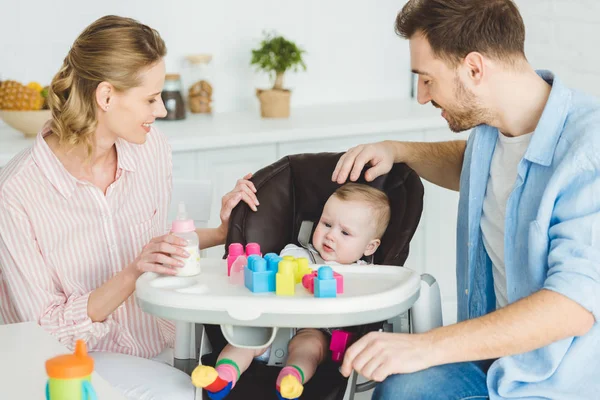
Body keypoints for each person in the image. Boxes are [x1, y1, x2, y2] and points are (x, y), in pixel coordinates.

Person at [333, 1, 599, 399]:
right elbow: (473, 168)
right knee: (397, 387)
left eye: (427, 79)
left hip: (553, 383)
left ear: (474, 68)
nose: (423, 97)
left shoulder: (587, 152)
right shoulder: (492, 132)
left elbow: (573, 304)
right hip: (491, 365)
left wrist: (426, 346)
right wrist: (397, 149)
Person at [0, 15, 259, 400]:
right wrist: (132, 272)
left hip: (170, 343)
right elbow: (42, 331)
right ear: (106, 97)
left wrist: (222, 232)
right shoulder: (16, 192)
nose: (163, 111)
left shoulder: (152, 149)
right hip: (75, 367)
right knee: (181, 394)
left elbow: (157, 249)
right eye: (151, 99)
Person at [191, 183, 391, 399]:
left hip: (315, 330)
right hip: (271, 324)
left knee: (310, 349)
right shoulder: (294, 254)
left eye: (345, 232)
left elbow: (374, 302)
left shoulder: (366, 276)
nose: (331, 235)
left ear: (369, 247)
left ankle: (290, 379)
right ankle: (223, 377)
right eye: (326, 224)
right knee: (243, 342)